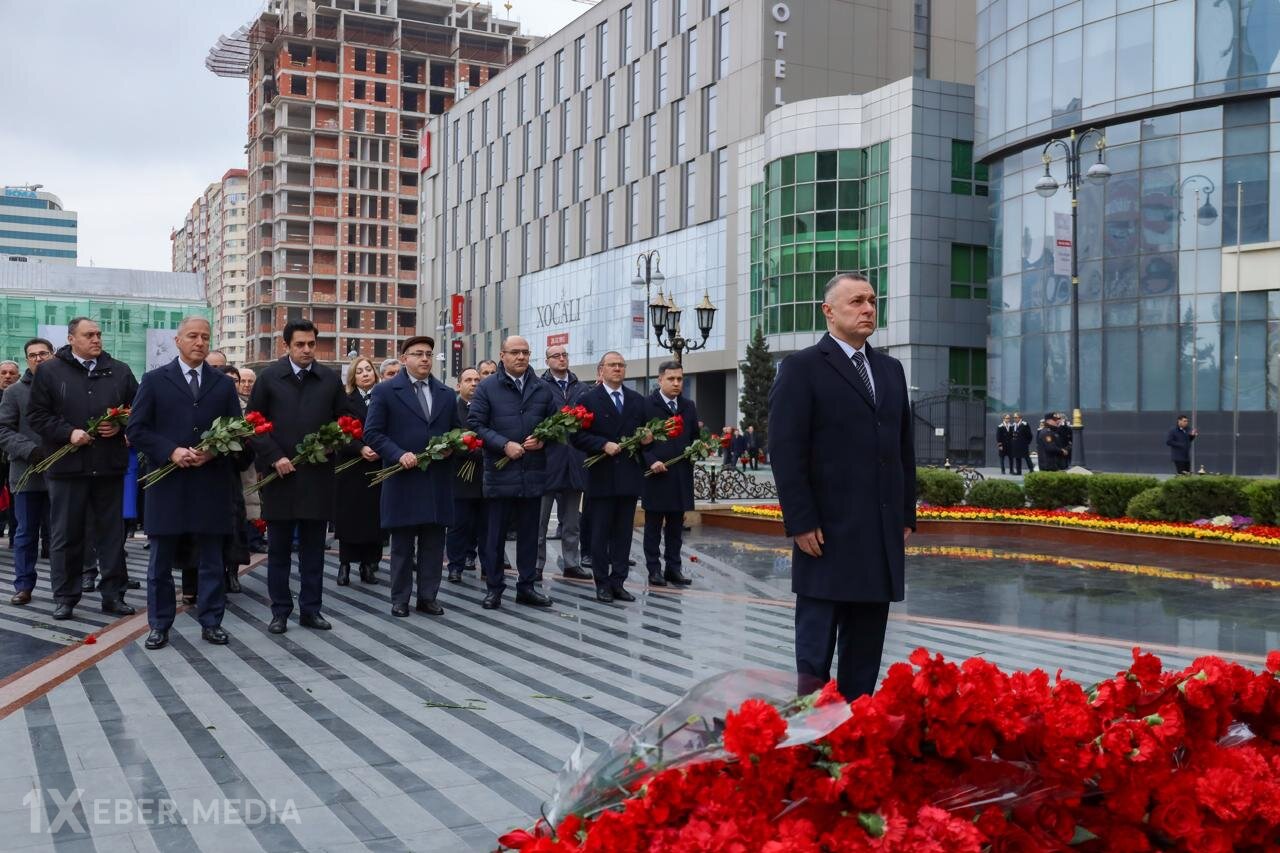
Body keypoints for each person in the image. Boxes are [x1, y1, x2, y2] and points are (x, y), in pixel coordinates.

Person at [768, 272, 915, 701]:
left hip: (878, 535)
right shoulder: (801, 369)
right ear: (828, 312)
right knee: (815, 654)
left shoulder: (890, 369)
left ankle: (855, 728)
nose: (868, 308)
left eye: (872, 300)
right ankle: (812, 734)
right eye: (856, 302)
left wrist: (906, 514)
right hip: (825, 535)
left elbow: (903, 447)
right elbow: (785, 450)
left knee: (865, 651)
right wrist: (800, 521)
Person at [126, 318, 244, 649]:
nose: (199, 342)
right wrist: (171, 451)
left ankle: (211, 621)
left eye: (205, 337)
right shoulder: (154, 380)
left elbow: (236, 429)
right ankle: (159, 624)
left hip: (210, 482)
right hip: (168, 483)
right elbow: (136, 430)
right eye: (193, 336)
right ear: (177, 340)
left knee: (210, 559)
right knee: (160, 560)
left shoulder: (222, 384)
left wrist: (213, 451)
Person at [28, 317, 138, 621]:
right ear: (71, 338)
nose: (96, 340)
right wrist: (68, 433)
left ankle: (113, 594)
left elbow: (138, 409)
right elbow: (37, 416)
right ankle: (65, 597)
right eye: (89, 335)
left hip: (108, 467)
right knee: (66, 535)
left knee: (112, 534)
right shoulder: (50, 371)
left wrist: (119, 425)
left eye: (99, 334)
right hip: (67, 467)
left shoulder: (119, 371)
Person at [247, 319, 349, 634]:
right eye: (299, 345)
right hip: (280, 479)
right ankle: (280, 611)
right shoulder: (269, 378)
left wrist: (331, 443)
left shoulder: (329, 380)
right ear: (287, 346)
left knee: (313, 550)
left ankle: (311, 610)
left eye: (310, 344)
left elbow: (345, 420)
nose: (306, 350)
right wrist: (274, 456)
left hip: (317, 477)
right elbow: (253, 421)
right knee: (278, 550)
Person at [364, 336, 459, 617]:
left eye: (429, 354)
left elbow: (456, 430)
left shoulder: (444, 393)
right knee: (403, 544)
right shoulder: (385, 391)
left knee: (433, 542)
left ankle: (428, 596)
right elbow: (372, 433)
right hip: (403, 477)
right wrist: (397, 453)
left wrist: (450, 448)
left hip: (435, 479)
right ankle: (400, 598)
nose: (425, 359)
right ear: (404, 358)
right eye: (418, 354)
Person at [467, 336, 556, 610]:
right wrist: (503, 445)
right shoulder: (488, 387)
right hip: (499, 473)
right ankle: (494, 588)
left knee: (530, 535)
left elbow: (554, 423)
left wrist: (544, 439)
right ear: (502, 355)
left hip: (531, 473)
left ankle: (527, 587)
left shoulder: (542, 388)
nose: (521, 357)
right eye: (515, 352)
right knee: (494, 536)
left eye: (525, 352)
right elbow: (476, 424)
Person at [572, 351, 652, 604]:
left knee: (623, 534)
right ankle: (602, 583)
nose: (617, 369)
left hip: (628, 477)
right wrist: (602, 444)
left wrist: (647, 441)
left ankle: (619, 581)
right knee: (600, 532)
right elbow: (576, 437)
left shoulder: (637, 400)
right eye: (612, 365)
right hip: (601, 475)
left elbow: (645, 437)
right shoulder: (589, 399)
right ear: (601, 371)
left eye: (621, 365)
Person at [0, 338, 54, 605]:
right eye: (32, 355)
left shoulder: (65, 388)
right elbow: (3, 430)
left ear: (53, 355)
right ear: (27, 361)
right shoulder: (14, 393)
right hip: (26, 473)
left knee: (61, 534)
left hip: (61, 472)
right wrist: (30, 450)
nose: (38, 358)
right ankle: (23, 585)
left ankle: (64, 589)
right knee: (25, 533)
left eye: (43, 353)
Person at [641, 361, 697, 588]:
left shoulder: (688, 405)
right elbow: (639, 441)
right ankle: (654, 570)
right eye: (671, 379)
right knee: (653, 527)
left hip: (680, 475)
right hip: (656, 476)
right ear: (660, 380)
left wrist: (698, 449)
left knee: (676, 527)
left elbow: (693, 436)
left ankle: (674, 568)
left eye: (680, 379)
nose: (676, 383)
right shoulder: (646, 405)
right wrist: (651, 460)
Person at [537, 345, 590, 581]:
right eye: (556, 356)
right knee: (539, 520)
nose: (561, 359)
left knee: (571, 520)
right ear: (547, 361)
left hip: (575, 460)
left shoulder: (581, 388)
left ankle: (571, 563)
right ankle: (536, 564)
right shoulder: (539, 387)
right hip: (547, 461)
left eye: (564, 355)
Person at [334, 356, 384, 586]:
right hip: (351, 465)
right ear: (353, 376)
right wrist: (360, 447)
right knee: (349, 516)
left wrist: (380, 448)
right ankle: (344, 564)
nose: (365, 374)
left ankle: (368, 565)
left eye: (369, 370)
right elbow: (338, 433)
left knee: (373, 517)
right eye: (360, 371)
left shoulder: (384, 397)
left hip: (378, 465)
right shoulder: (345, 400)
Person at [446, 367, 485, 583]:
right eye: (468, 380)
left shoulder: (488, 407)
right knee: (458, 525)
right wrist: (471, 449)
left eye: (477, 380)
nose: (474, 384)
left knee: (486, 526)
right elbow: (448, 437)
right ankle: (455, 566)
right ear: (459, 385)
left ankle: (487, 566)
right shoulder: (452, 408)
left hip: (484, 476)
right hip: (459, 476)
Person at [235, 367, 264, 554]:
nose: (246, 385)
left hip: (256, 461)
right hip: (239, 461)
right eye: (242, 381)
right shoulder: (233, 404)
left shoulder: (260, 405)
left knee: (255, 499)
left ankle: (255, 537)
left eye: (250, 381)